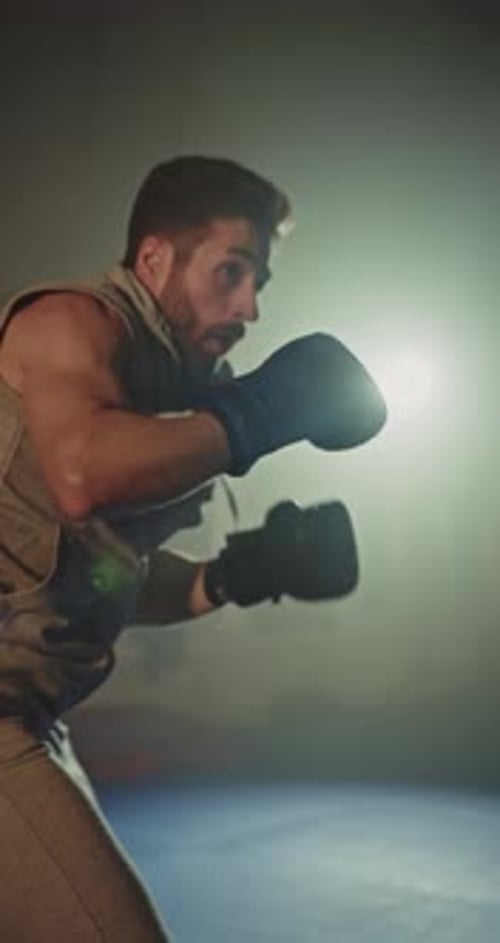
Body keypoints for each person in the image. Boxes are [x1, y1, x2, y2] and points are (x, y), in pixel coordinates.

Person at [0, 155, 386, 941]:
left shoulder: (178, 399)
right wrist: (255, 416)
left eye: (260, 285)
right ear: (154, 260)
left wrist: (233, 574)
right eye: (231, 271)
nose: (248, 307)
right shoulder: (69, 325)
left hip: (32, 712)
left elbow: (107, 579)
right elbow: (79, 473)